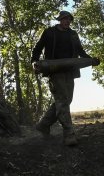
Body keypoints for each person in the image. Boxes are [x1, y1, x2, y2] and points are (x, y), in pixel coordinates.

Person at [30, 10, 94, 146]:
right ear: (60, 20)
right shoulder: (49, 32)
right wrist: (34, 61)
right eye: (64, 19)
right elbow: (38, 47)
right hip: (54, 70)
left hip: (70, 71)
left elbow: (80, 50)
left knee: (65, 100)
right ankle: (69, 134)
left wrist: (90, 60)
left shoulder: (73, 34)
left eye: (69, 19)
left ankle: (43, 124)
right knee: (62, 100)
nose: (67, 21)